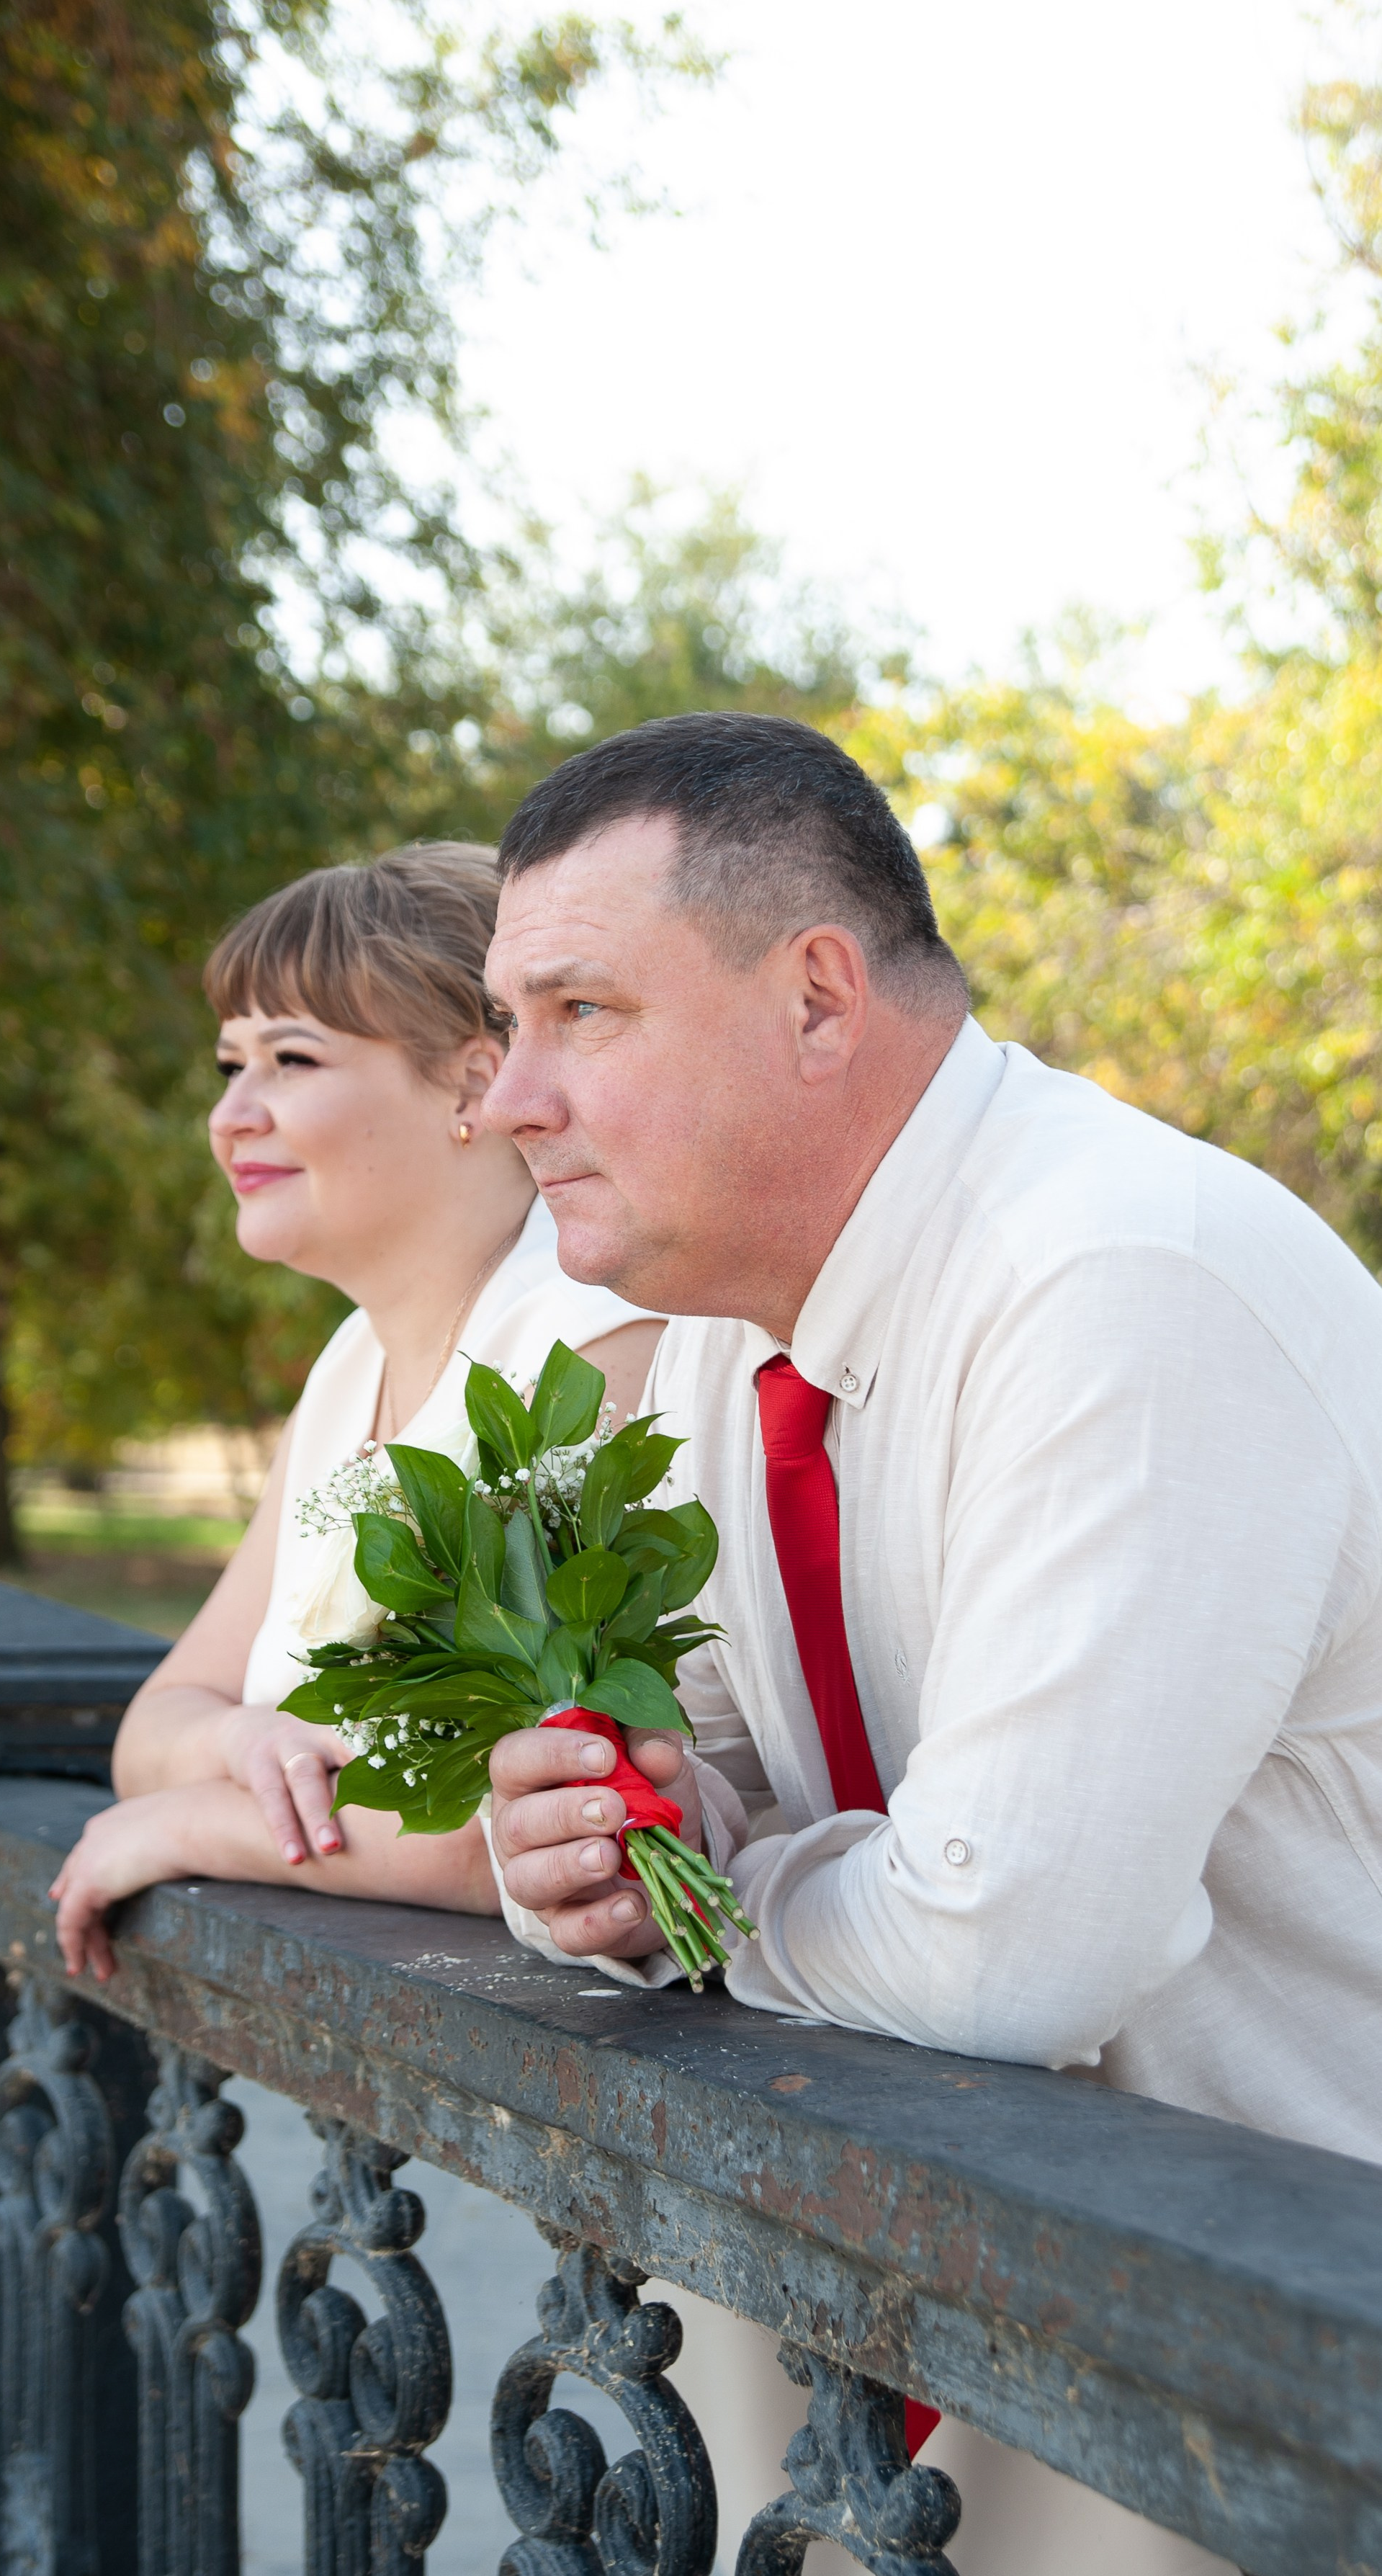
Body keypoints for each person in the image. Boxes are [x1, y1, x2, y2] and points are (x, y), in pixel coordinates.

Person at [477, 709, 1382, 2573]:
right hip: (976, 2365)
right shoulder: (730, 1343)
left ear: (815, 994)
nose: (504, 1099)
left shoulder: (1123, 1279)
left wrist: (727, 1893)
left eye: (579, 1015)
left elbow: (1007, 1956)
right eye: (504, 1029)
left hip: (1273, 2389)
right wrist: (569, 1846)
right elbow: (697, 1788)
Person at [51, 844, 661, 1982]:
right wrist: (239, 1739)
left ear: (475, 1086)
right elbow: (157, 1723)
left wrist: (192, 1824)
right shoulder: (349, 1367)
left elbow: (551, 1836)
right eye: (230, 1063)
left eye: (289, 1059)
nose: (231, 1115)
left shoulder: (592, 1351)